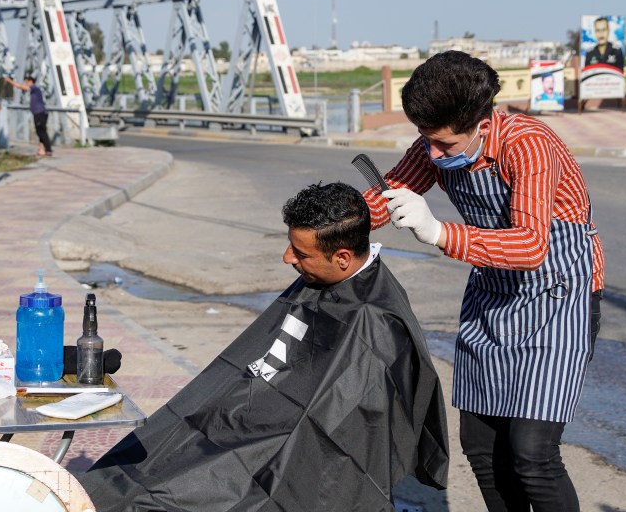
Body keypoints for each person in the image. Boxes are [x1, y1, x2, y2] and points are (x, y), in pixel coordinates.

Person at [79, 182, 450, 511]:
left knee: (175, 488)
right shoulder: (322, 275)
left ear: (341, 258)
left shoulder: (376, 323)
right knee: (147, 459)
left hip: (282, 446)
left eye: (300, 254)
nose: (288, 258)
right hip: (247, 416)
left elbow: (332, 435)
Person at [362, 51, 603, 512]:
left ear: (480, 122)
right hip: (493, 298)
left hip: (560, 298)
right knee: (482, 447)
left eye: (445, 145)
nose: (432, 154)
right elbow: (383, 199)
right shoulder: (435, 144)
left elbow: (531, 246)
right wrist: (334, 220)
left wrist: (437, 232)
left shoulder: (527, 144)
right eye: (424, 140)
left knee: (532, 452)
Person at [4, 75, 53, 156]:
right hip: (40, 113)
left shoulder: (34, 88)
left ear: (30, 81)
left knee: (41, 132)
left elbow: (21, 87)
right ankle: (41, 150)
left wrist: (10, 82)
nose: (26, 84)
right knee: (41, 131)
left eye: (26, 82)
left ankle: (48, 149)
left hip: (39, 113)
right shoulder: (35, 90)